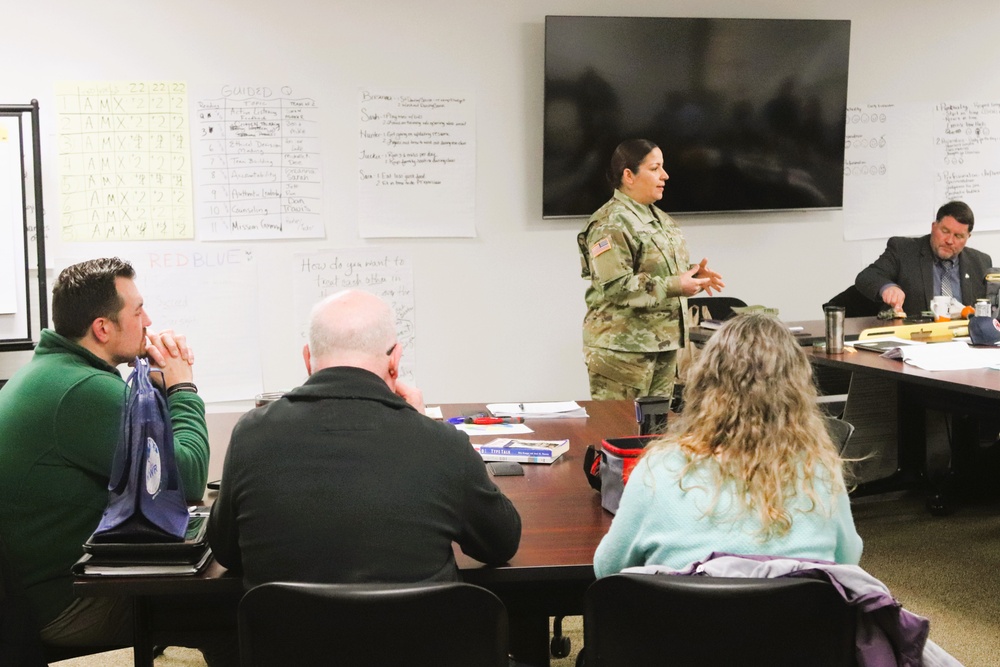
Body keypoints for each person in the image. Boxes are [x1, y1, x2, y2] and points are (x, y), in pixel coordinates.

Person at [207, 289, 521, 589]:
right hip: (416, 643)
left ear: (308, 358)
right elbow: (500, 544)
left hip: (285, 643)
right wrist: (426, 427)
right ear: (395, 360)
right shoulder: (442, 444)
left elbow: (227, 552)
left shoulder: (251, 435)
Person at [0, 258, 210, 649]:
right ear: (102, 328)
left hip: (41, 595)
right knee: (228, 604)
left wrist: (153, 389)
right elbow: (189, 479)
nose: (148, 320)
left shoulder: (52, 372)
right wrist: (183, 388)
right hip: (70, 608)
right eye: (138, 311)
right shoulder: (82, 392)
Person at [593, 313, 862, 577]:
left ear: (704, 383)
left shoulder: (657, 469)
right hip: (798, 620)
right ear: (798, 392)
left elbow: (608, 570)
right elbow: (847, 560)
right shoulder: (818, 468)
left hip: (683, 620)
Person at [577, 138, 724, 401]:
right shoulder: (610, 223)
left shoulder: (659, 219)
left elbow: (654, 268)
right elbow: (615, 287)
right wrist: (676, 285)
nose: (665, 176)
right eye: (655, 168)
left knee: (653, 434)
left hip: (662, 346)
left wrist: (692, 274)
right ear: (629, 175)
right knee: (622, 434)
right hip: (622, 352)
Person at [855, 200, 993, 317]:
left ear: (968, 237)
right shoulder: (903, 251)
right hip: (915, 337)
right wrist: (888, 288)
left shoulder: (980, 262)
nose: (950, 240)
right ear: (934, 227)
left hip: (963, 339)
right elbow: (867, 276)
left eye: (958, 236)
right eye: (945, 231)